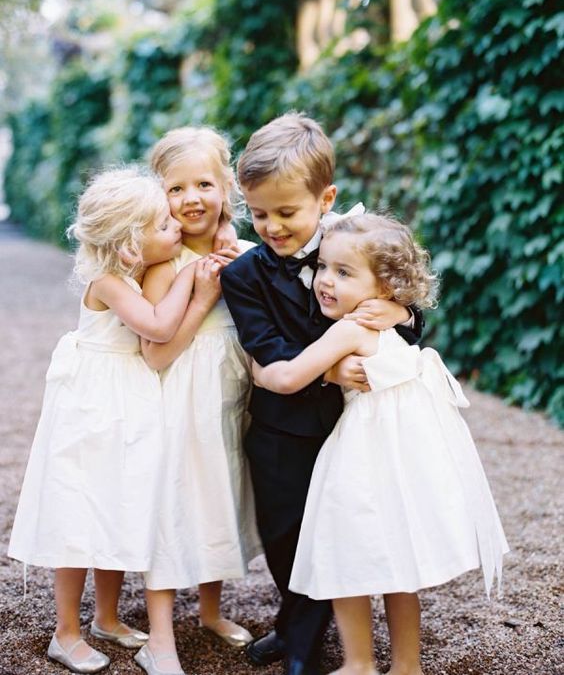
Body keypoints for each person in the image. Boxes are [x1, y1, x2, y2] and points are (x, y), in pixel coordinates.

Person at [253, 212, 510, 675]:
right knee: (400, 564)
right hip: (404, 454)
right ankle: (406, 666)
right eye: (324, 268)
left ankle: (359, 663)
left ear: (386, 287)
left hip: (364, 451)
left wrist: (257, 368)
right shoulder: (388, 323)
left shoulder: (352, 328)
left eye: (343, 273)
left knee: (344, 550)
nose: (325, 282)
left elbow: (289, 377)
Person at [220, 112, 423, 675]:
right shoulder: (243, 277)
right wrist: (332, 371)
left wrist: (402, 311)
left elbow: (408, 320)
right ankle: (296, 619)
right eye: (258, 213)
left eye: (286, 212)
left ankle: (305, 648)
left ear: (325, 197)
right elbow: (268, 349)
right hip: (283, 428)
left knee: (347, 527)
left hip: (358, 426)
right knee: (285, 537)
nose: (272, 226)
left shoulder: (353, 244)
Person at [8, 166, 196, 674]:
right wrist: (191, 279)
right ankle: (65, 632)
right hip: (94, 404)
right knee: (80, 511)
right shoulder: (108, 280)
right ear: (129, 244)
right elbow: (157, 325)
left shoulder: (133, 271)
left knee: (118, 502)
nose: (176, 225)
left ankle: (107, 618)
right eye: (162, 225)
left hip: (124, 396)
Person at [135, 126, 261, 675]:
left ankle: (210, 611)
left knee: (221, 496)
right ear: (158, 196)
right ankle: (158, 637)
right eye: (176, 189)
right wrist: (204, 292)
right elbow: (156, 354)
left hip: (230, 398)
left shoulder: (246, 252)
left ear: (228, 185)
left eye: (204, 184)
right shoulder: (163, 262)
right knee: (171, 501)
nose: (191, 199)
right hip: (178, 399)